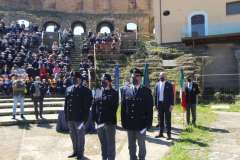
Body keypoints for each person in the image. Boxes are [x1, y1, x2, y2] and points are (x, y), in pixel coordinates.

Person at [121, 68, 153, 160]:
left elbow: (149, 110)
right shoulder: (126, 90)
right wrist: (123, 123)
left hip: (141, 125)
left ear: (140, 78)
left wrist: (148, 124)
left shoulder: (146, 91)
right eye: (132, 76)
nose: (134, 78)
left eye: (136, 76)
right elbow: (123, 108)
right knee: (131, 146)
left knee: (141, 146)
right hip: (130, 124)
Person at [64, 72, 93, 160]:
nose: (74, 80)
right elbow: (66, 104)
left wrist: (85, 119)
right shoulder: (69, 89)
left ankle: (80, 153)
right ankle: (75, 151)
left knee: (80, 136)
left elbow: (87, 106)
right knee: (73, 135)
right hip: (70, 118)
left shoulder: (86, 90)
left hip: (80, 119)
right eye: (73, 78)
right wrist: (66, 116)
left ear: (80, 79)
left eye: (76, 78)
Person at [92, 74, 119, 160]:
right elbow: (94, 106)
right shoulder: (98, 91)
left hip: (109, 123)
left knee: (110, 144)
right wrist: (95, 119)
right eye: (102, 80)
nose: (103, 81)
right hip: (99, 123)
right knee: (103, 144)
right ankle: (104, 158)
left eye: (105, 80)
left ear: (110, 82)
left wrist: (106, 121)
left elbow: (113, 108)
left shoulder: (114, 93)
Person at [155, 72, 174, 140]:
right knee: (160, 120)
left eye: (163, 76)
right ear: (159, 76)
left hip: (167, 105)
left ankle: (169, 135)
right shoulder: (157, 84)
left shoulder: (169, 85)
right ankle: (160, 133)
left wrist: (172, 105)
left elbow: (172, 95)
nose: (162, 77)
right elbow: (156, 95)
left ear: (165, 76)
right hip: (159, 104)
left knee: (168, 120)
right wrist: (155, 105)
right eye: (160, 76)